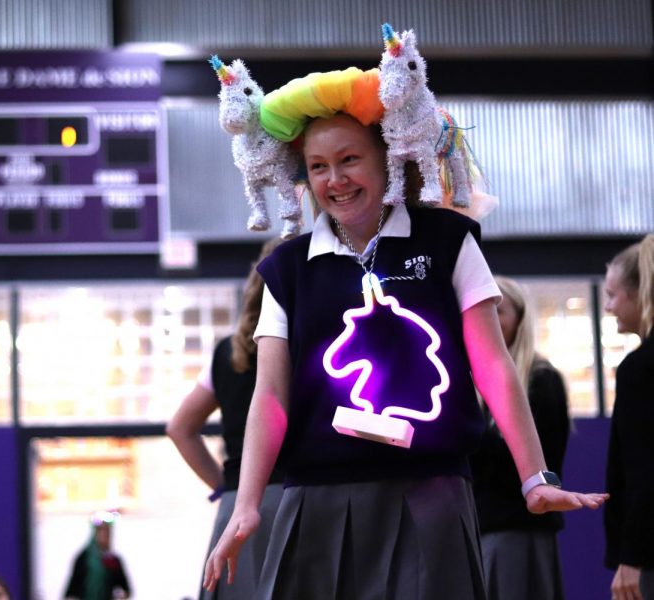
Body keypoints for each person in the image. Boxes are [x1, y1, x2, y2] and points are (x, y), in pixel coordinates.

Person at [202, 30, 607, 599]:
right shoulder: (288, 268)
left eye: (350, 160)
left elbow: (493, 365)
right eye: (318, 167)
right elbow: (270, 394)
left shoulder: (448, 240)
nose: (335, 180)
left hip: (431, 491)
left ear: (386, 157)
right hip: (315, 495)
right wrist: (246, 506)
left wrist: (534, 476)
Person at [167, 237, 284, 599]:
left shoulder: (228, 352)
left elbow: (180, 427)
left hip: (238, 507)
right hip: (297, 498)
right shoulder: (304, 344)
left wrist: (225, 485)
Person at [470, 276, 571, 599]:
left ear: (520, 319)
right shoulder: (473, 384)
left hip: (518, 530)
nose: (490, 318)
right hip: (480, 529)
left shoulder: (541, 380)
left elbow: (547, 461)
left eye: (499, 310)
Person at [603, 234, 654, 600]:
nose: (608, 307)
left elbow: (645, 470)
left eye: (613, 295)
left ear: (642, 293)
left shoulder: (641, 369)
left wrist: (631, 557)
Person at [64, 512, 131, 600]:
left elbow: (125, 588)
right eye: (102, 531)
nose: (106, 536)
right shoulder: (83, 558)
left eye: (108, 532)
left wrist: (122, 595)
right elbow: (72, 589)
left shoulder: (114, 560)